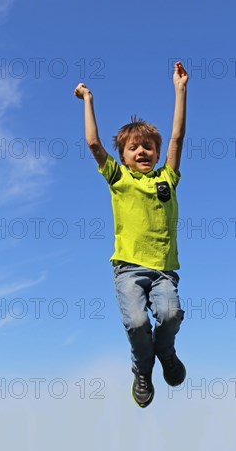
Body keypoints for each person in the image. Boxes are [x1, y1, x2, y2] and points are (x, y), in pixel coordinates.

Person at [74, 61, 188, 408]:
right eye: (134, 148)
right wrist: (87, 100)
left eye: (147, 147)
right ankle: (143, 369)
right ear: (123, 157)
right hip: (128, 268)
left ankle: (166, 353)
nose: (142, 151)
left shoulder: (166, 178)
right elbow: (94, 143)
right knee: (137, 322)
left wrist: (180, 90)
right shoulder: (119, 179)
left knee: (169, 315)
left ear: (155, 153)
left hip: (163, 269)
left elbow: (177, 136)